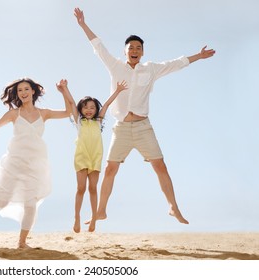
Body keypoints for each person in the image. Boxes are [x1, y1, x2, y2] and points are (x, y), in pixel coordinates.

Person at [74, 7, 216, 228]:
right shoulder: (116, 66)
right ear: (125, 51)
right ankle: (100, 212)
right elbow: (98, 47)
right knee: (111, 169)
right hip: (121, 128)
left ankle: (173, 207)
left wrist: (199, 55)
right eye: (131, 47)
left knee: (160, 166)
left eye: (138, 48)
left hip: (143, 127)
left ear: (142, 52)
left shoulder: (150, 69)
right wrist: (83, 24)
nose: (134, 50)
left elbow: (176, 63)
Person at [0, 78, 70, 248]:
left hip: (35, 163)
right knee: (2, 201)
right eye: (19, 90)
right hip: (15, 161)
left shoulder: (44, 113)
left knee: (31, 204)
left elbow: (69, 112)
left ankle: (22, 242)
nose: (23, 93)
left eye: (26, 89)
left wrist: (64, 91)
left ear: (33, 91)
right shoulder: (13, 114)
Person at [57, 79, 128, 233]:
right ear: (81, 110)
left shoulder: (98, 121)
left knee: (93, 189)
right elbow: (71, 102)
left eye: (92, 107)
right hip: (81, 157)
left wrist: (118, 91)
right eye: (85, 107)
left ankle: (94, 218)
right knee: (80, 188)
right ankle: (77, 218)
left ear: (96, 109)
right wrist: (65, 88)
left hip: (95, 157)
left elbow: (107, 104)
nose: (88, 110)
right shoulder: (79, 122)